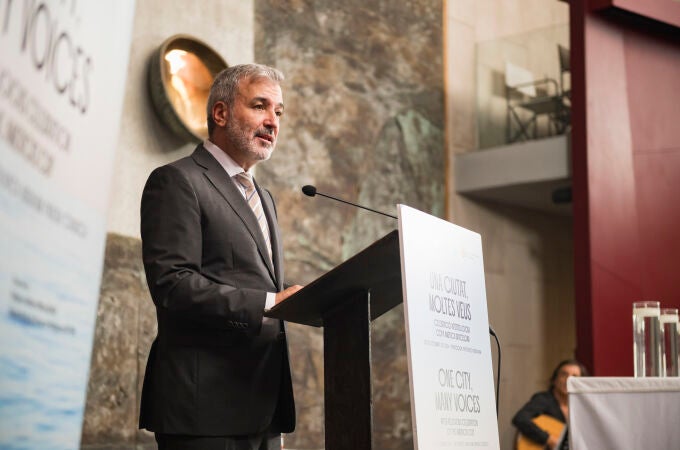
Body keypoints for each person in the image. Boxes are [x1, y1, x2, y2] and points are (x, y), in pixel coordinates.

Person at [139, 63, 303, 450]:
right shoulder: (178, 180)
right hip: (205, 411)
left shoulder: (263, 198)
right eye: (260, 106)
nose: (272, 121)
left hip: (262, 406)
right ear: (221, 113)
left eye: (278, 112)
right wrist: (269, 304)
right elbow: (172, 285)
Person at [512, 359, 588, 450]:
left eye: (574, 376)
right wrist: (548, 439)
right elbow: (520, 418)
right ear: (554, 380)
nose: (568, 380)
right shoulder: (544, 399)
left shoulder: (582, 407)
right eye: (564, 374)